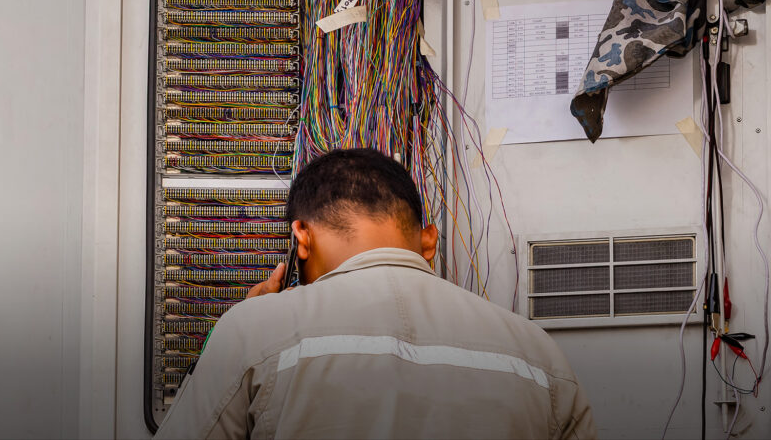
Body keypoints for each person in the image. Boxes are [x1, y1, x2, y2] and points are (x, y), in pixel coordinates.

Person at [155, 148, 596, 440]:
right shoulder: (537, 352)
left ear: (301, 239)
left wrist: (239, 332)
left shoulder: (254, 330)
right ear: (428, 242)